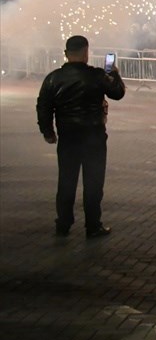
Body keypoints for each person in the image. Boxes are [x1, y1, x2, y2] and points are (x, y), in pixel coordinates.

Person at [36, 34, 126, 238]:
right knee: (93, 183)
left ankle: (63, 224)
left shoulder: (53, 78)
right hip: (94, 137)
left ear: (66, 53)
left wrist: (48, 131)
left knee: (66, 181)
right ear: (86, 52)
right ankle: (93, 225)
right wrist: (114, 73)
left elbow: (43, 107)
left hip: (68, 138)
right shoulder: (97, 75)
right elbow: (117, 93)